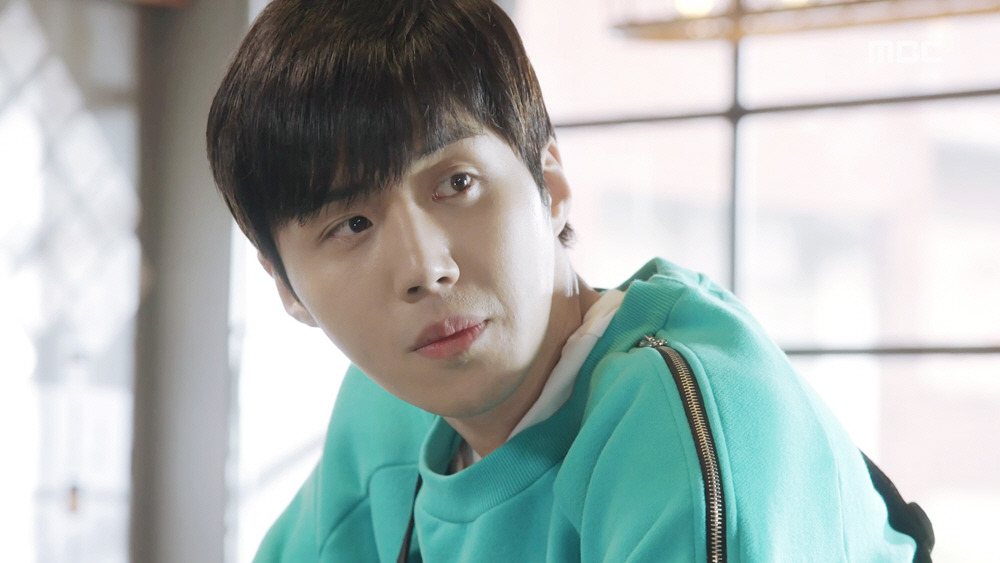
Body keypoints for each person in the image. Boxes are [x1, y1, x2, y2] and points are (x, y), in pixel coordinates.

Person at [206, 1, 929, 561]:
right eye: (352, 224)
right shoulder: (387, 412)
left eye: (456, 183)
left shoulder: (674, 413)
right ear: (286, 286)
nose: (426, 269)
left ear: (549, 184)